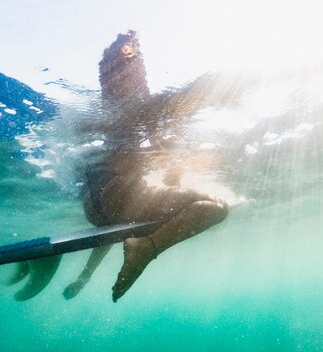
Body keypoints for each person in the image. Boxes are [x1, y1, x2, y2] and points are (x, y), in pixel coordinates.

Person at [63, 30, 238, 302]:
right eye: (138, 69)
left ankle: (86, 275)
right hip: (119, 197)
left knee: (127, 222)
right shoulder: (144, 108)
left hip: (96, 210)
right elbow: (155, 166)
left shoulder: (91, 111)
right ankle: (146, 248)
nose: (143, 78)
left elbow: (106, 194)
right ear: (131, 73)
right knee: (216, 207)